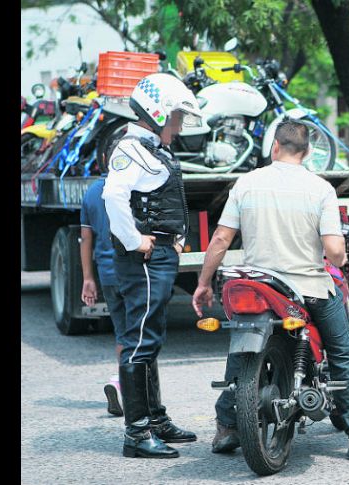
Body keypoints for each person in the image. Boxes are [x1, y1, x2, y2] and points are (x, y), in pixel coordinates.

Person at [192, 119, 349, 460]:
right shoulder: (320, 189)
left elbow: (220, 239)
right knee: (344, 351)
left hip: (259, 286)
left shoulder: (246, 183)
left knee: (241, 349)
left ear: (274, 147)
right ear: (306, 153)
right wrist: (339, 254)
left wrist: (203, 283)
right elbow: (334, 251)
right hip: (309, 287)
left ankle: (228, 426)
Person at [103, 73, 203, 459]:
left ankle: (155, 420)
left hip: (157, 254)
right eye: (175, 117)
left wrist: (173, 240)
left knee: (151, 337)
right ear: (157, 112)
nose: (178, 126)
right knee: (139, 342)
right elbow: (114, 196)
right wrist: (134, 239)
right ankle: (137, 433)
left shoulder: (150, 147)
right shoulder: (131, 147)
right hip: (143, 258)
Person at [80, 176, 125, 417]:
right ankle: (125, 386)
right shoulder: (135, 184)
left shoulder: (92, 191)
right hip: (133, 272)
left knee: (122, 332)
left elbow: (87, 238)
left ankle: (122, 382)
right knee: (142, 334)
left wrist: (88, 279)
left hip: (107, 273)